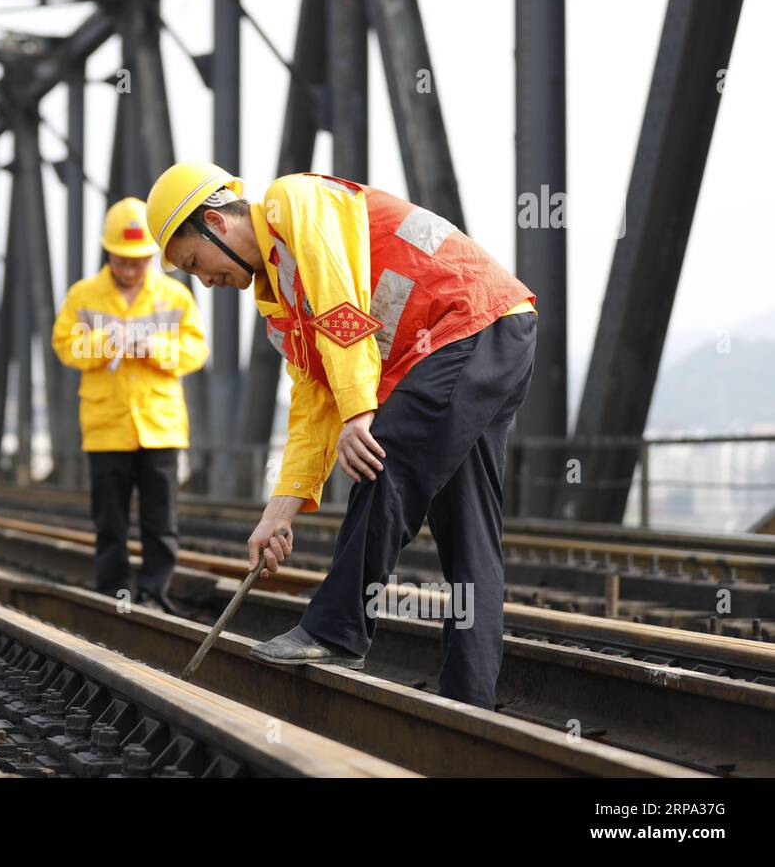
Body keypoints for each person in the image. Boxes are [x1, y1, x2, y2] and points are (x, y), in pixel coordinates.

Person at [145, 164, 536, 709]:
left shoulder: (289, 203)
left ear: (216, 222)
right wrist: (278, 513)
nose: (205, 280)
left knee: (383, 459)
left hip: (467, 318)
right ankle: (469, 705)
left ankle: (335, 630)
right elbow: (311, 405)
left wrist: (359, 412)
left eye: (195, 262)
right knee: (470, 536)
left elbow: (337, 294)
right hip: (487, 330)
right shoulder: (278, 305)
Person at [51, 197, 210, 614]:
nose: (129, 269)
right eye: (122, 261)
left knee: (161, 521)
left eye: (138, 261)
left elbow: (196, 350)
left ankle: (154, 594)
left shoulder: (174, 296)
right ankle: (112, 594)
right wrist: (107, 343)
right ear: (109, 254)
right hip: (106, 426)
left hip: (159, 425)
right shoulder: (84, 295)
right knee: (111, 522)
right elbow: (65, 346)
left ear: (152, 257)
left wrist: (155, 348)